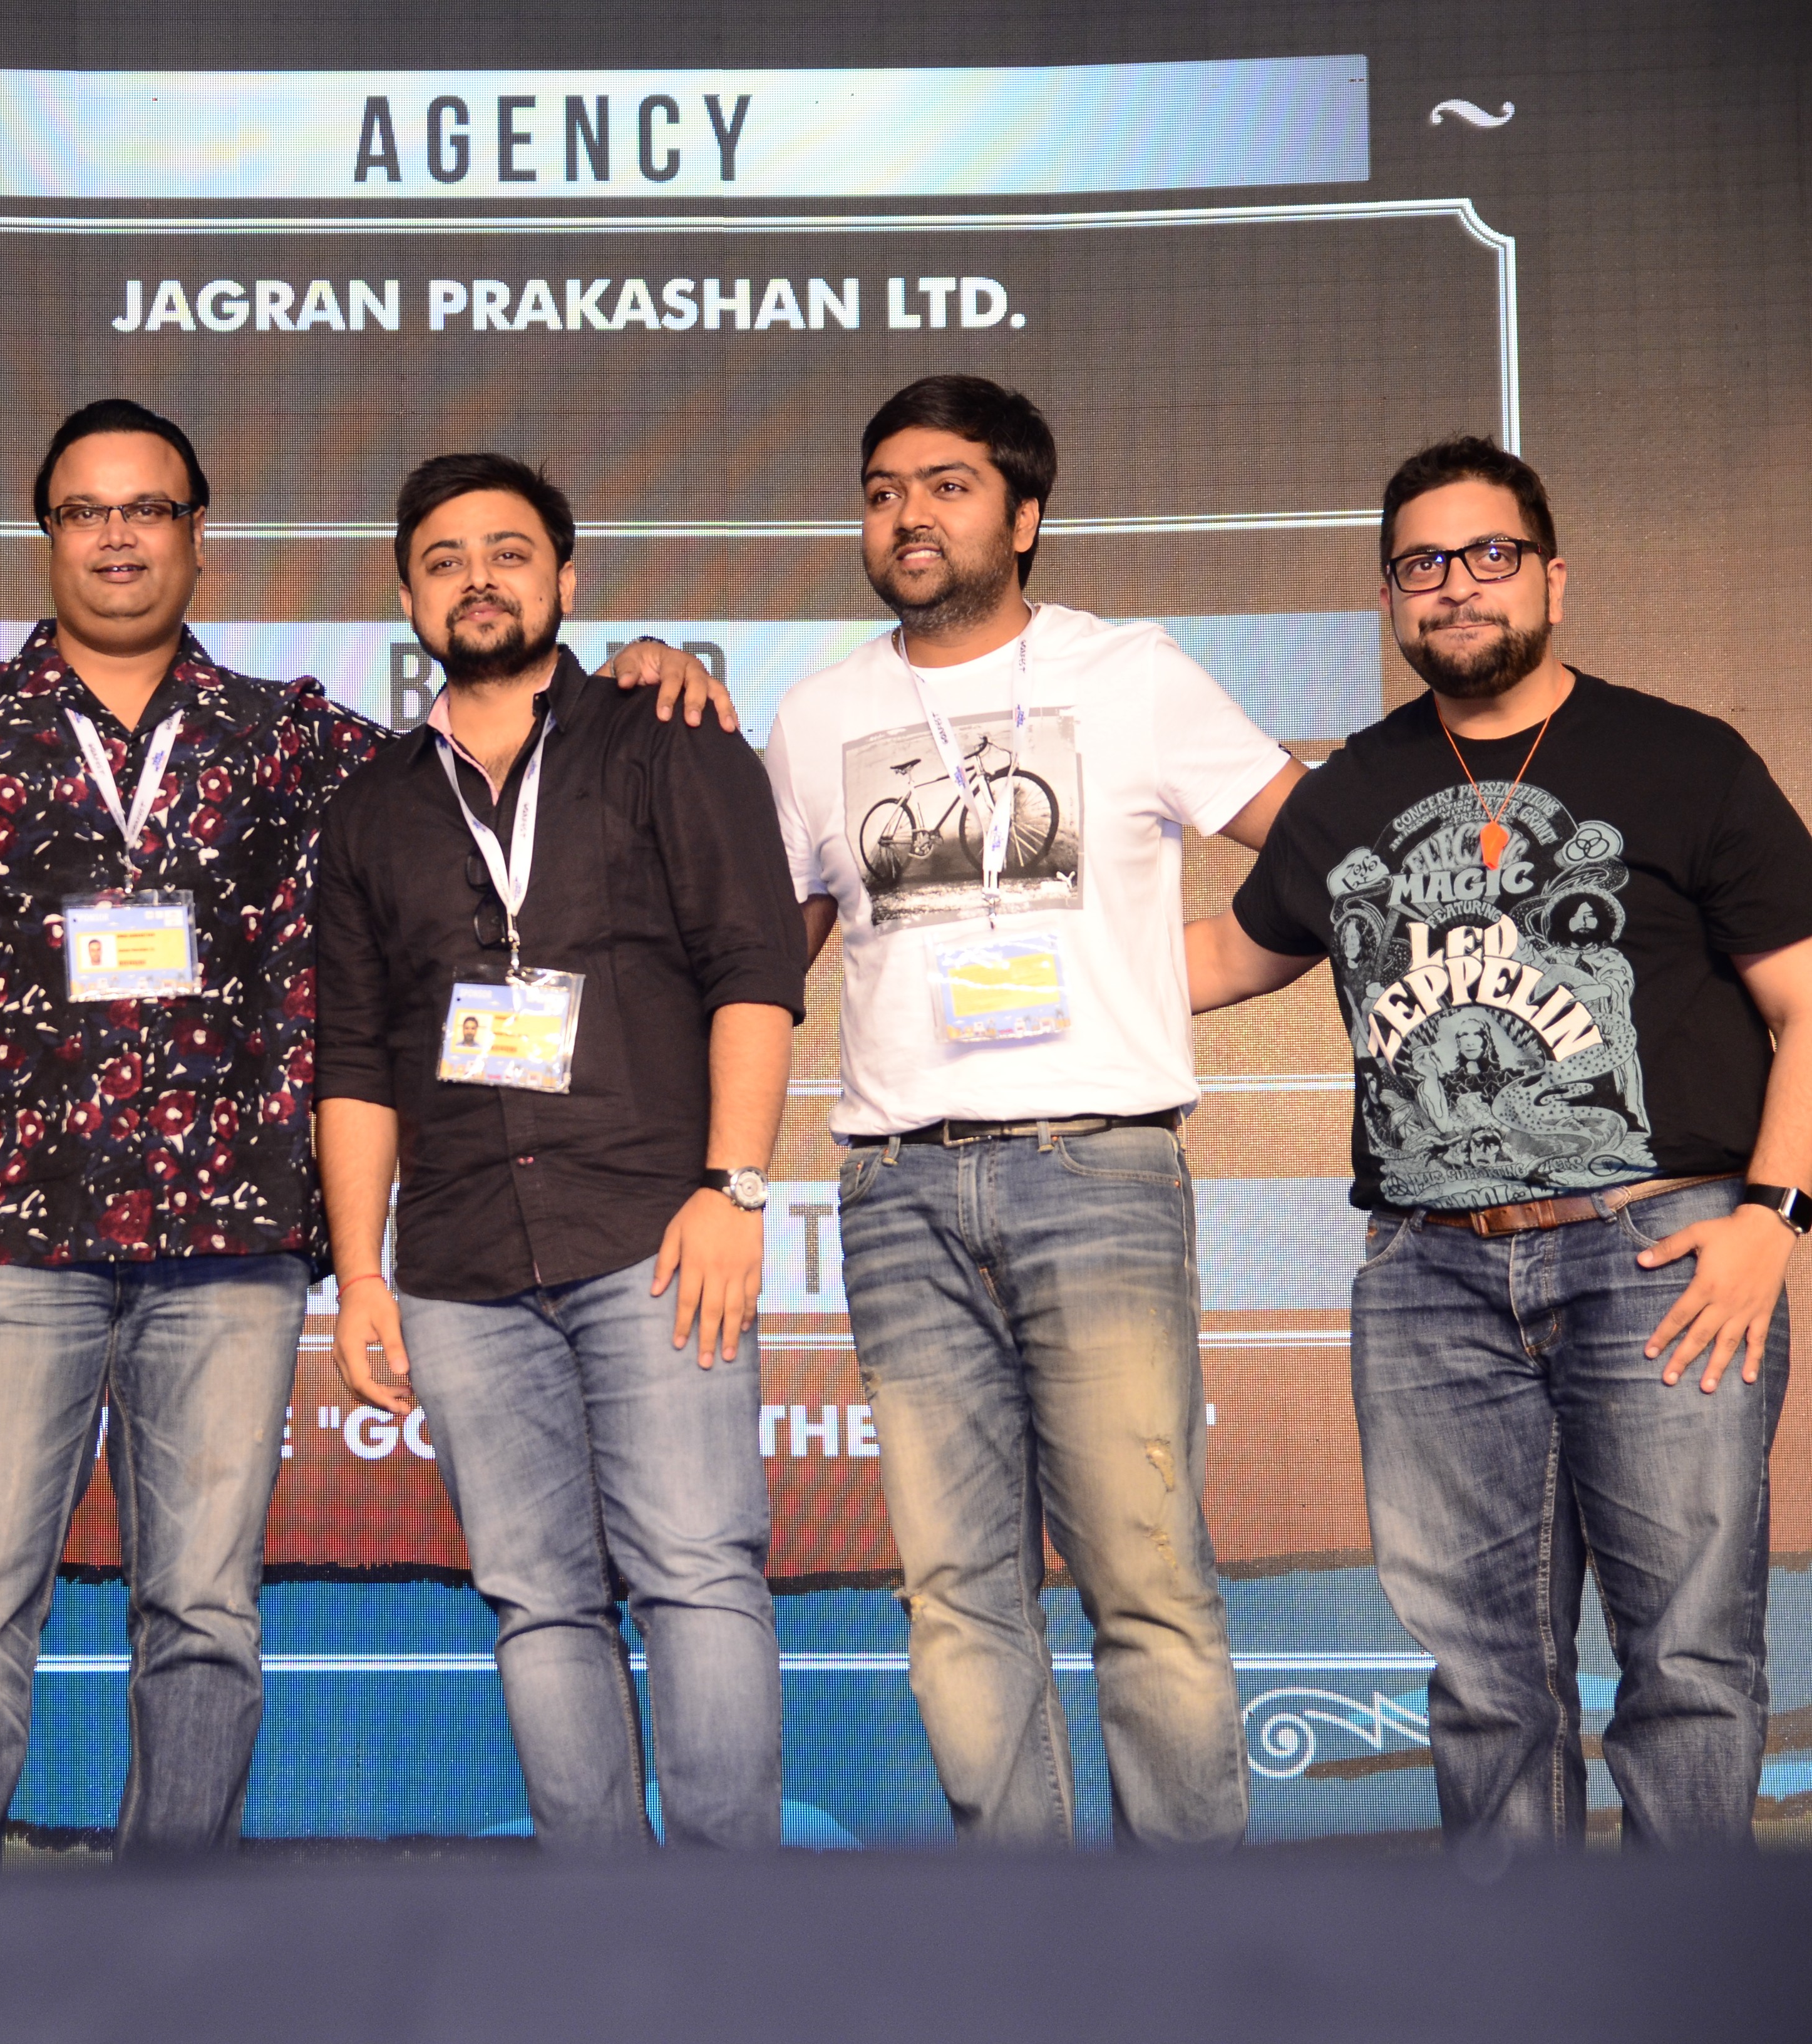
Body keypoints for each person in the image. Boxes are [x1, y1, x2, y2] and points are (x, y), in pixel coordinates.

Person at [0, 400, 731, 1867]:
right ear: (49, 537)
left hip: (230, 1244)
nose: (118, 537)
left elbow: (487, 743)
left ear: (197, 536)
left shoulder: (294, 737)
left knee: (203, 1621)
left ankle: (174, 1948)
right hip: (8, 1238)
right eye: (87, 511)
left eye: (148, 509)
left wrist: (642, 670)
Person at [1187, 435, 1812, 1853]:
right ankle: (1515, 1967)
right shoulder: (1350, 790)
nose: (1456, 586)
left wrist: (1773, 1216)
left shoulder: (1685, 760)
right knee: (1480, 1685)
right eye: (1421, 564)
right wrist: (986, 963)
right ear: (1389, 599)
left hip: (1660, 1258)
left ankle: (1685, 1964)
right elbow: (1224, 955)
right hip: (1428, 1279)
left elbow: (1806, 1000)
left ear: (1552, 578)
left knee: (1688, 1666)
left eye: (1488, 555)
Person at [763, 374, 1304, 1847]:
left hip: (1096, 1175)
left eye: (945, 485)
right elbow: (762, 959)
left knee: (1146, 1579)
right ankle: (1024, 1934)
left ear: (1024, 515)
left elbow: (1317, 852)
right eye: (882, 491)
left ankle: (1189, 1943)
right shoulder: (816, 717)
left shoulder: (1129, 673)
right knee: (953, 1595)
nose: (907, 515)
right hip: (895, 1193)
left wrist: (1163, 978)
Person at [317, 453, 805, 1850]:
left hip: (655, 1234)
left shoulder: (671, 736)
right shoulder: (372, 806)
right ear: (408, 600)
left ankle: (731, 1933)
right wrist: (362, 1276)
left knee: (697, 1574)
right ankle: (594, 1931)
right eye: (444, 561)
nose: (478, 580)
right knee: (535, 1602)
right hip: (459, 1264)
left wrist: (734, 1188)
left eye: (509, 552)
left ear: (566, 580)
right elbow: (354, 1060)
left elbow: (755, 968)